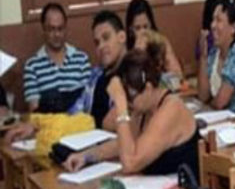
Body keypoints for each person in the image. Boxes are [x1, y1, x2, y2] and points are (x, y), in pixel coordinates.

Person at [63, 47, 199, 175]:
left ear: (148, 88)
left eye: (130, 97)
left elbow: (130, 163)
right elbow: (124, 145)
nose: (129, 103)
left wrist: (120, 104)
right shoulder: (144, 108)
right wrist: (87, 156)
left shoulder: (171, 109)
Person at [5, 10, 128, 144]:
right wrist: (37, 126)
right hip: (91, 144)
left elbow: (111, 123)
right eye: (97, 42)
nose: (101, 46)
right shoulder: (96, 76)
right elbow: (74, 112)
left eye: (106, 38)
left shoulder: (134, 74)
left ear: (121, 37)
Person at [22, 2, 93, 113]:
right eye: (51, 29)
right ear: (43, 29)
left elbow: (89, 101)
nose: (57, 34)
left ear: (66, 28)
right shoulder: (32, 66)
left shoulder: (81, 59)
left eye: (60, 29)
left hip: (81, 125)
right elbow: (34, 110)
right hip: (50, 127)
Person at [125, 0, 183, 78]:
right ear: (130, 30)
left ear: (151, 25)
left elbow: (178, 75)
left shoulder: (161, 42)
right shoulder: (124, 49)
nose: (143, 32)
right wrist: (137, 54)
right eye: (137, 28)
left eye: (145, 27)